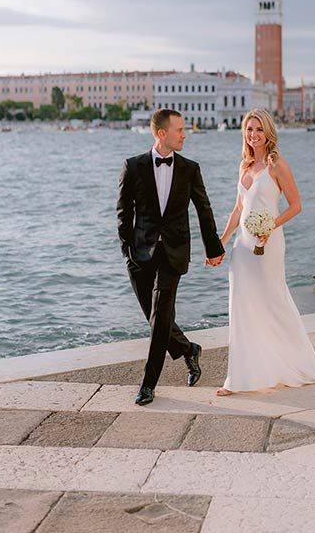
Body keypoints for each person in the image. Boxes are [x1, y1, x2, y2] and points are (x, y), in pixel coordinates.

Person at [217, 108, 315, 396]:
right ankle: (241, 378)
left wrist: (270, 227)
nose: (253, 134)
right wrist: (221, 242)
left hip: (269, 243)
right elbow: (239, 209)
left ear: (268, 132)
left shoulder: (277, 165)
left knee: (273, 301)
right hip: (242, 246)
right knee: (242, 305)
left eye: (258, 129)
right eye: (249, 129)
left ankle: (294, 363)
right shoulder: (244, 165)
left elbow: (296, 205)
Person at [117, 108, 225, 406]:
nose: (185, 134)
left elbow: (204, 209)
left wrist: (213, 247)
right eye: (180, 130)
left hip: (174, 252)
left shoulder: (190, 168)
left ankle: (148, 384)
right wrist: (127, 249)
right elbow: (124, 214)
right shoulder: (133, 166)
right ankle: (189, 350)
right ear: (162, 133)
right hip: (139, 254)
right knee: (155, 319)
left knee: (161, 313)